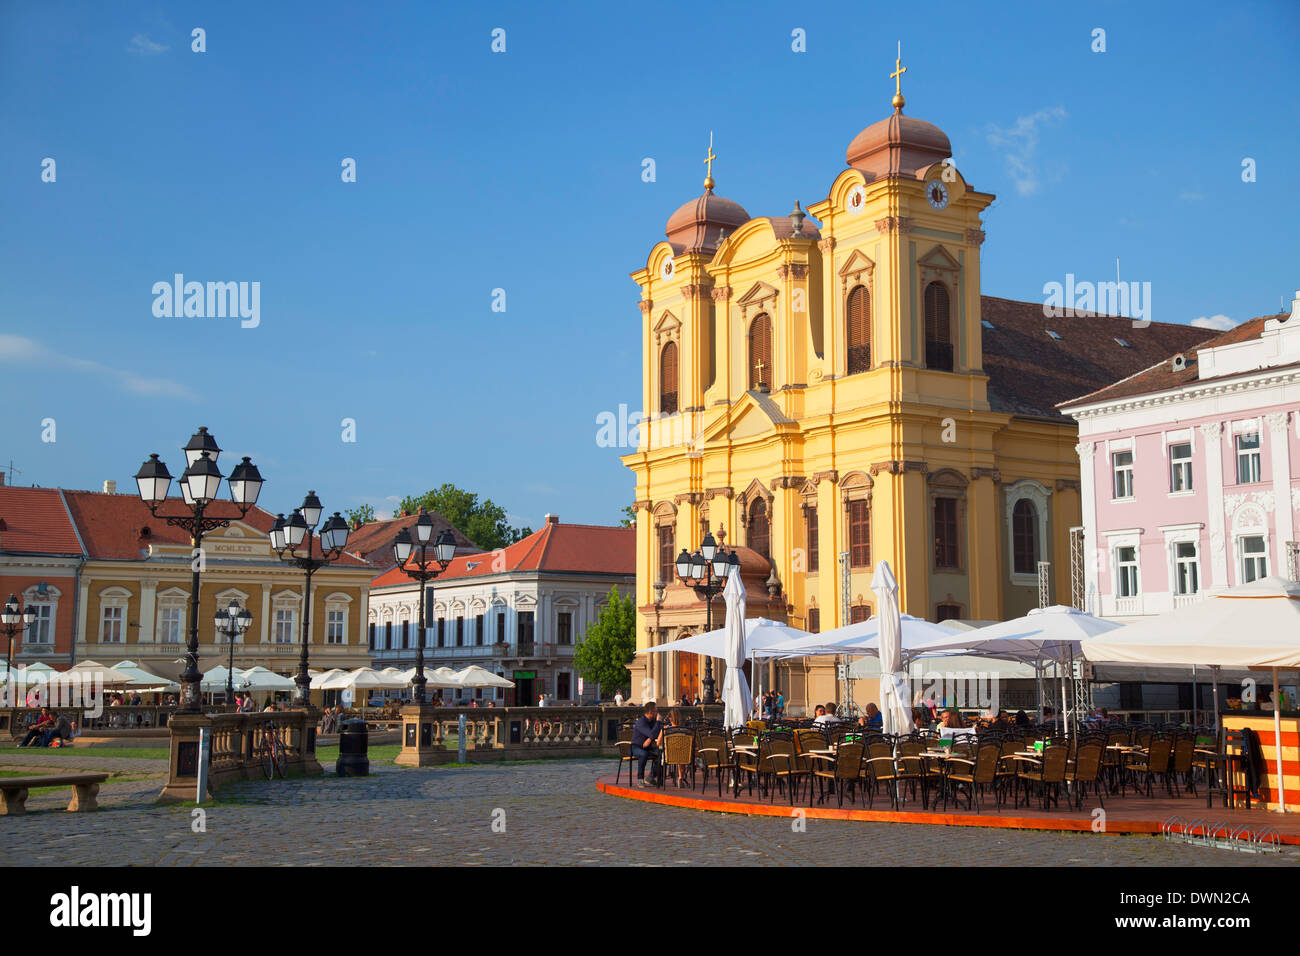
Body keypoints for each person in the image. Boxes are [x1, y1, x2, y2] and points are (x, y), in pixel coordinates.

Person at [630, 701, 664, 787]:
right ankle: (640, 779)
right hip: (636, 747)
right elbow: (651, 733)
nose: (658, 713)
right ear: (650, 712)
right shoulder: (641, 722)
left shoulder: (653, 721)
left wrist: (649, 740)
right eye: (656, 711)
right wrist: (658, 723)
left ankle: (651, 777)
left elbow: (658, 733)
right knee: (643, 754)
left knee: (661, 753)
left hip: (648, 747)